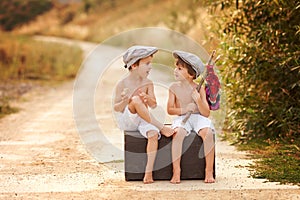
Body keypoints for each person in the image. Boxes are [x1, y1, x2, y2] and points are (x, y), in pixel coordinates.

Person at [113, 45, 174, 184]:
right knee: (135, 100)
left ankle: (148, 172)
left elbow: (153, 105)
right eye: (147, 64)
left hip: (143, 120)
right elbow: (117, 108)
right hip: (128, 120)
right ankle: (161, 127)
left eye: (150, 63)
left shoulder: (148, 83)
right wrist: (124, 100)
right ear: (134, 65)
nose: (150, 67)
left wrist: (148, 99)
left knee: (153, 134)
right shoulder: (122, 84)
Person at [167, 50, 216, 184]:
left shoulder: (199, 88)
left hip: (198, 118)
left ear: (191, 74)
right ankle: (176, 171)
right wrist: (184, 109)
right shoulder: (173, 88)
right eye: (176, 67)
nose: (175, 70)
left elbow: (206, 113)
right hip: (182, 118)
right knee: (178, 135)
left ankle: (208, 171)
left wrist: (199, 100)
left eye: (180, 68)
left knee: (208, 134)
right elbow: (170, 110)